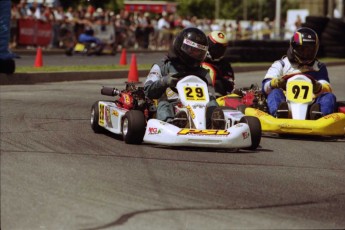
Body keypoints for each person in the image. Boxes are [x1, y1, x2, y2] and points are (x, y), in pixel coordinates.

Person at [144, 27, 218, 125]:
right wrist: (164, 81)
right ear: (180, 46)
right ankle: (170, 123)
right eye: (192, 50)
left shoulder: (203, 72)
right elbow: (147, 90)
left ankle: (215, 123)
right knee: (164, 103)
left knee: (212, 102)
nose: (195, 54)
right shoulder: (162, 66)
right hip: (172, 105)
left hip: (197, 107)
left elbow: (211, 94)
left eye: (198, 52)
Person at [262, 27, 336, 120]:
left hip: (311, 105)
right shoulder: (281, 65)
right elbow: (265, 87)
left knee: (329, 96)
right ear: (294, 47)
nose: (306, 53)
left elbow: (326, 86)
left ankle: (320, 116)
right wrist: (276, 83)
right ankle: (279, 113)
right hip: (286, 103)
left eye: (309, 50)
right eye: (302, 49)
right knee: (274, 92)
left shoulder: (319, 67)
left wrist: (318, 86)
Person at [202, 30, 235, 97]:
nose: (218, 51)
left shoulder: (225, 64)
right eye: (216, 48)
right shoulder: (198, 58)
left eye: (221, 49)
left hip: (217, 96)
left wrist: (217, 77)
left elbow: (230, 85)